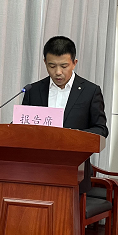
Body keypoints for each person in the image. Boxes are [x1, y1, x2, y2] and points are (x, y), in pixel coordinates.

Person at [22, 36, 108, 193]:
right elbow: (22, 127)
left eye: (64, 66)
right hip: (37, 171)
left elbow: (101, 129)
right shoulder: (33, 90)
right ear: (45, 63)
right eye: (52, 66)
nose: (58, 72)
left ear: (74, 63)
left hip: (75, 171)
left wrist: (71, 136)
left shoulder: (90, 91)